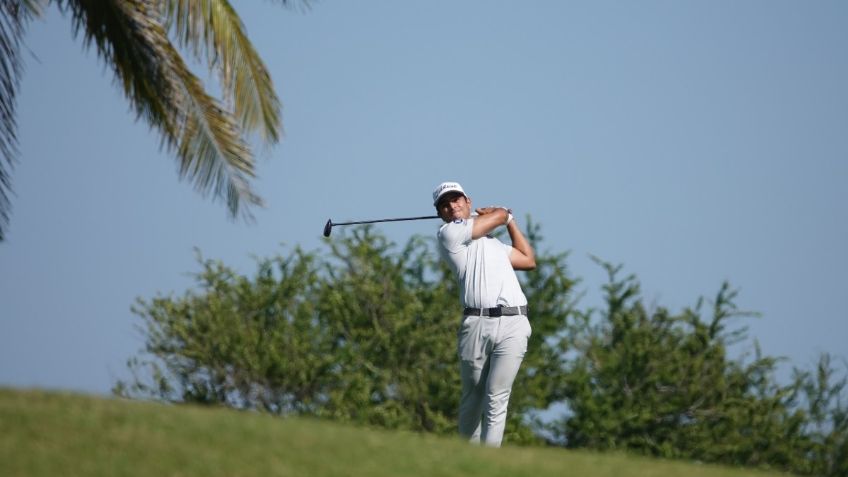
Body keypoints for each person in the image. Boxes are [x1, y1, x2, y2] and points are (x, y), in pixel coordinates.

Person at [432, 181, 536, 447]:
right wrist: (501, 213)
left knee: (497, 395)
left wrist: (510, 222)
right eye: (445, 204)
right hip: (477, 323)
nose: (451, 206)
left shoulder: (494, 245)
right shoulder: (448, 234)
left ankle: (489, 464)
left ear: (468, 202)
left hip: (515, 322)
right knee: (474, 396)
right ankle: (467, 459)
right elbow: (499, 216)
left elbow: (528, 259)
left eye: (456, 200)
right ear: (440, 214)